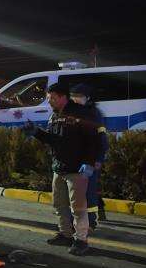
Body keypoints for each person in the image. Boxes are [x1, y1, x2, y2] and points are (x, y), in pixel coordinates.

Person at [24, 83, 102, 256]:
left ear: (62, 97)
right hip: (59, 167)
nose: (49, 101)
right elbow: (53, 140)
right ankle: (65, 234)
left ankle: (81, 240)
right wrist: (36, 132)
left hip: (77, 169)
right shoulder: (55, 115)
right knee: (59, 204)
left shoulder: (82, 113)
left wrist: (89, 162)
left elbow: (94, 141)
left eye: (51, 97)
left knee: (78, 207)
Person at [70, 83, 109, 228]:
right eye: (73, 96)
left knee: (89, 190)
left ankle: (91, 220)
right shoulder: (70, 111)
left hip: (91, 158)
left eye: (79, 97)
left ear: (87, 98)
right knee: (79, 190)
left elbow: (101, 138)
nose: (75, 99)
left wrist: (98, 159)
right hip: (75, 158)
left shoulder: (94, 113)